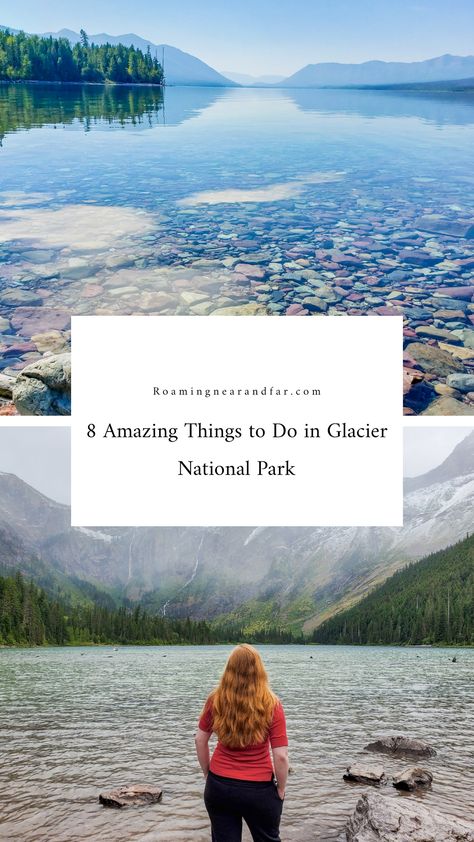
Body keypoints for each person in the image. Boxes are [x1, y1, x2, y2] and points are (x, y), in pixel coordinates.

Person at [195, 644, 289, 842]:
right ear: (259, 670)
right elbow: (280, 756)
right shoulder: (272, 704)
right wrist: (281, 788)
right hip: (259, 791)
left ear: (229, 669)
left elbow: (200, 740)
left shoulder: (216, 700)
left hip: (219, 786)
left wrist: (207, 773)